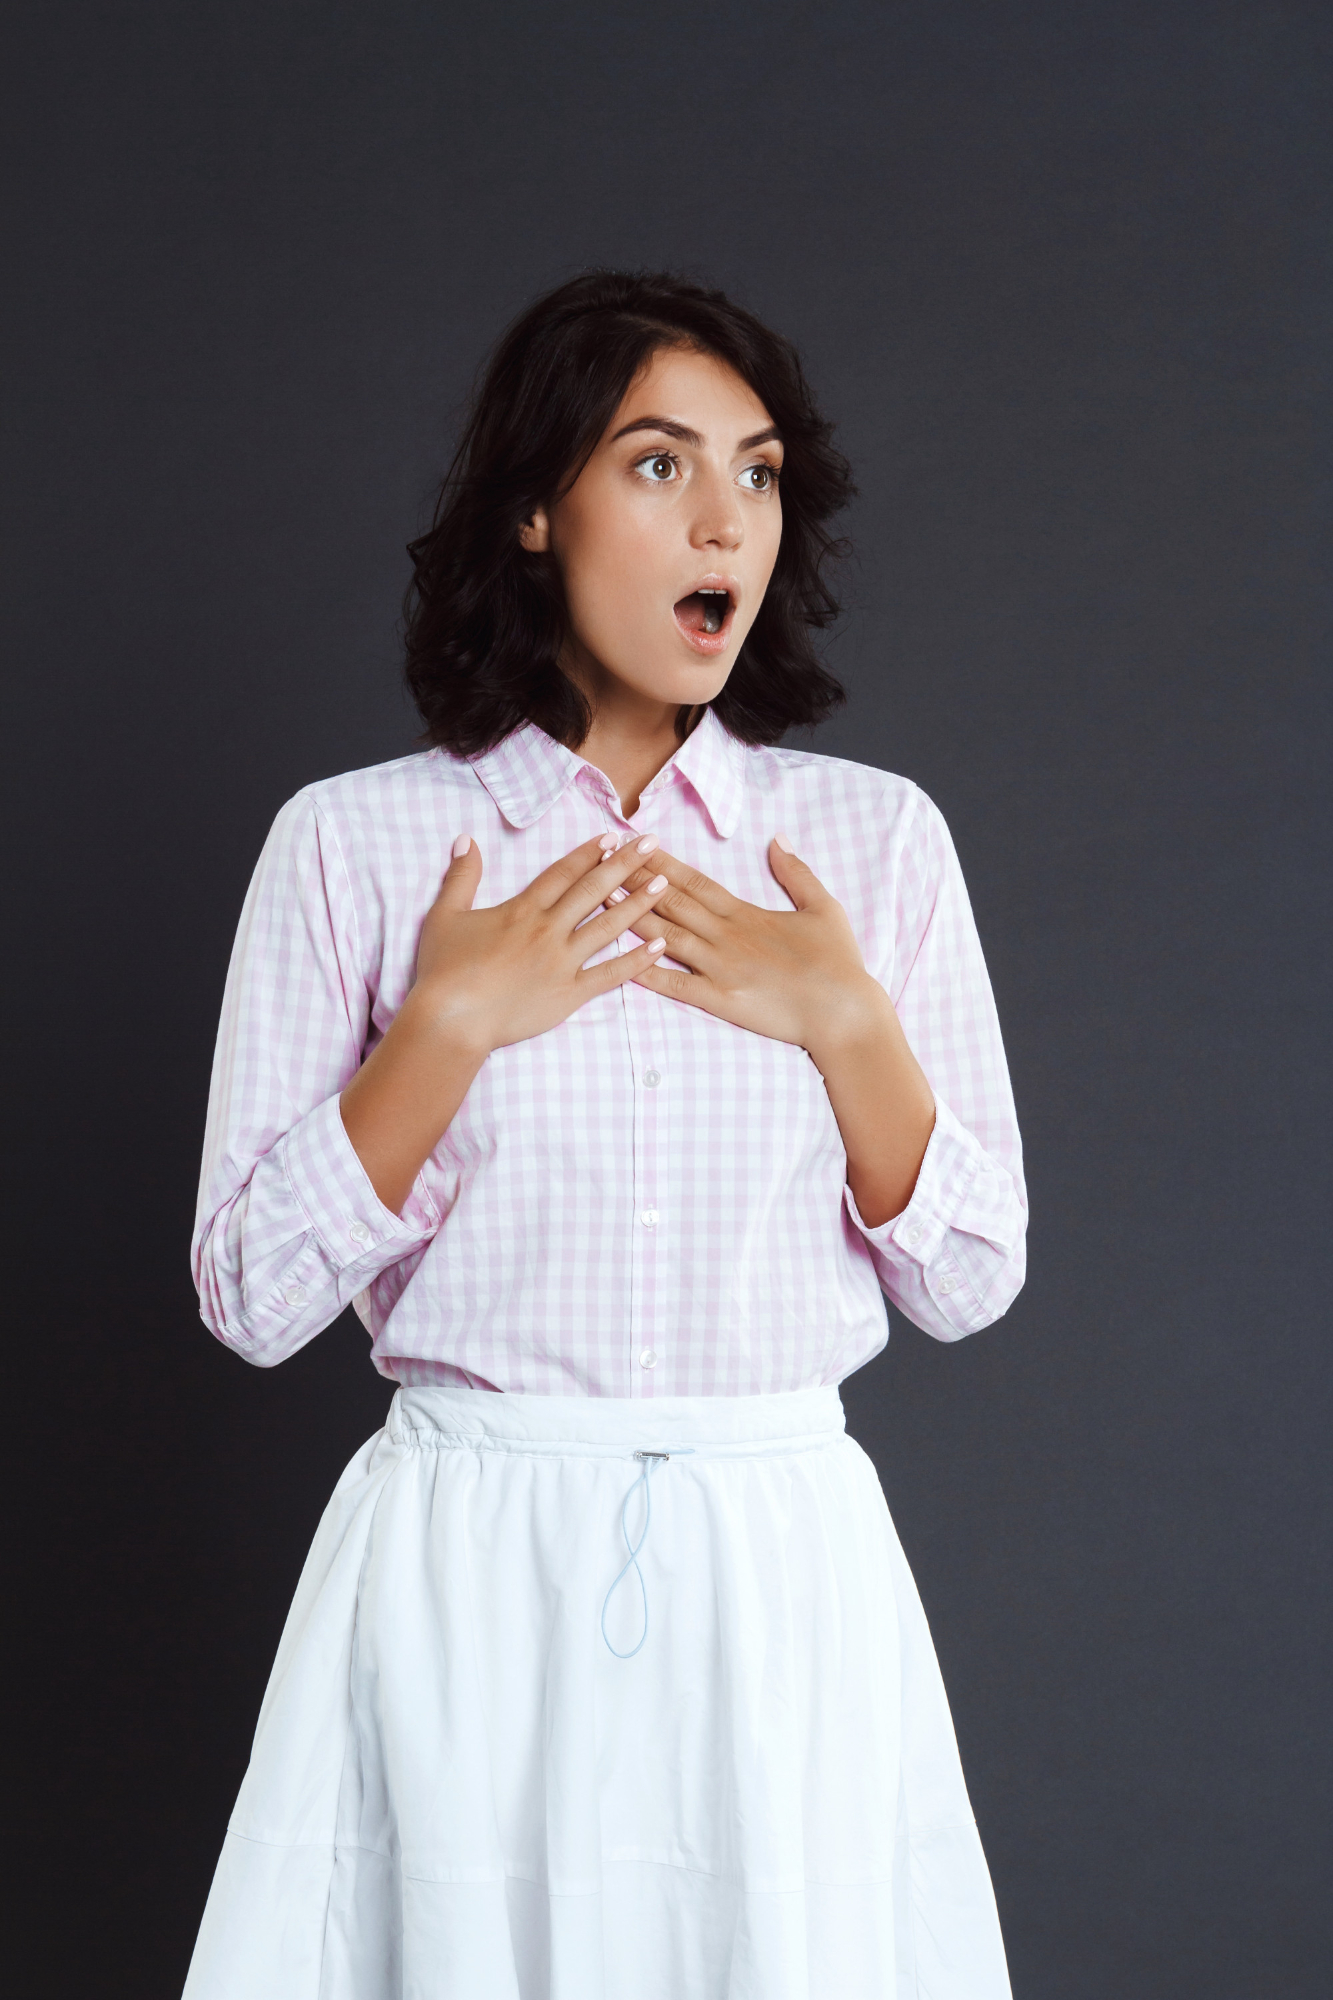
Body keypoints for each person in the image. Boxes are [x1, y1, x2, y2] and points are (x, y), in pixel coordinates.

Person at [182, 270, 1027, 2000]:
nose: (726, 516)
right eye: (658, 466)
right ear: (532, 510)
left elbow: (970, 1277)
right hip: (465, 1571)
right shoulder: (353, 845)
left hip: (778, 1578)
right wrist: (444, 1031)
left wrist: (843, 1020)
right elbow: (249, 1297)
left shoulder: (866, 847)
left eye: (761, 469)